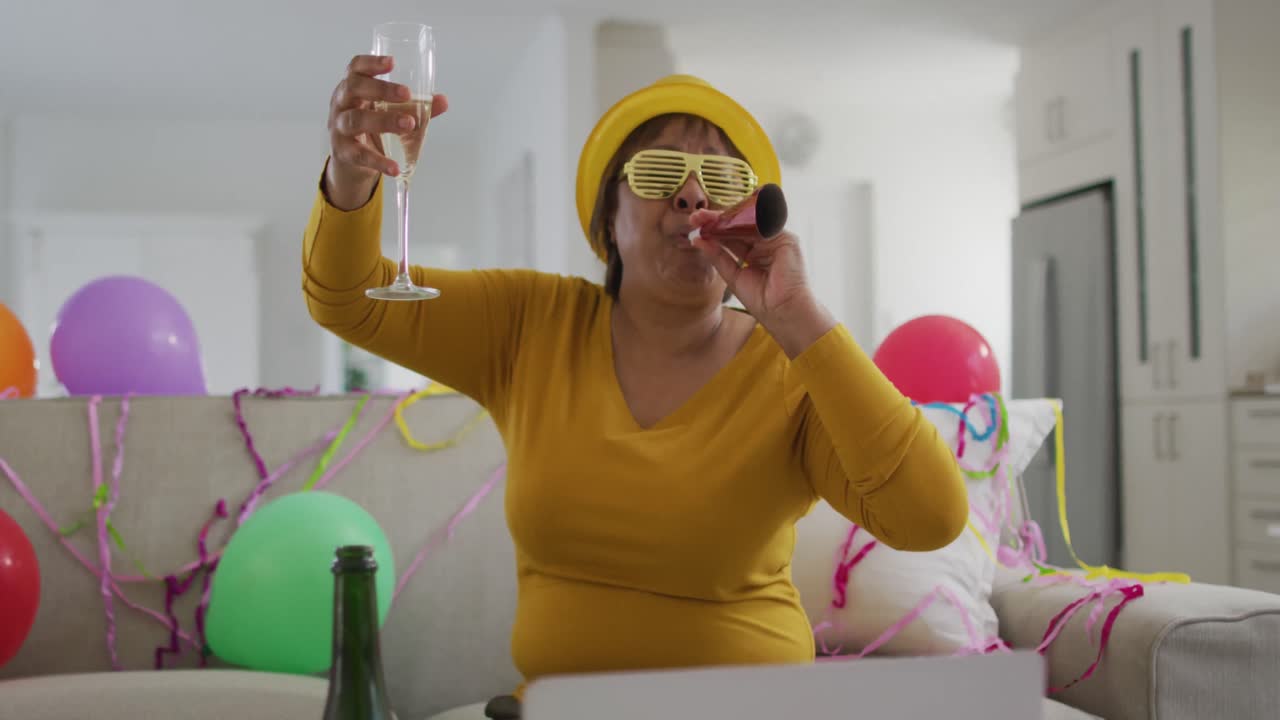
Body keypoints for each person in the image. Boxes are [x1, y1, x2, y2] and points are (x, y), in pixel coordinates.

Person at [305, 58, 968, 717]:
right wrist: (351, 176)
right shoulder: (530, 323)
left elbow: (930, 518)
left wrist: (801, 320)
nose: (692, 195)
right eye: (658, 172)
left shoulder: (790, 367)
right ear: (608, 217)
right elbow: (348, 299)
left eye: (721, 179)